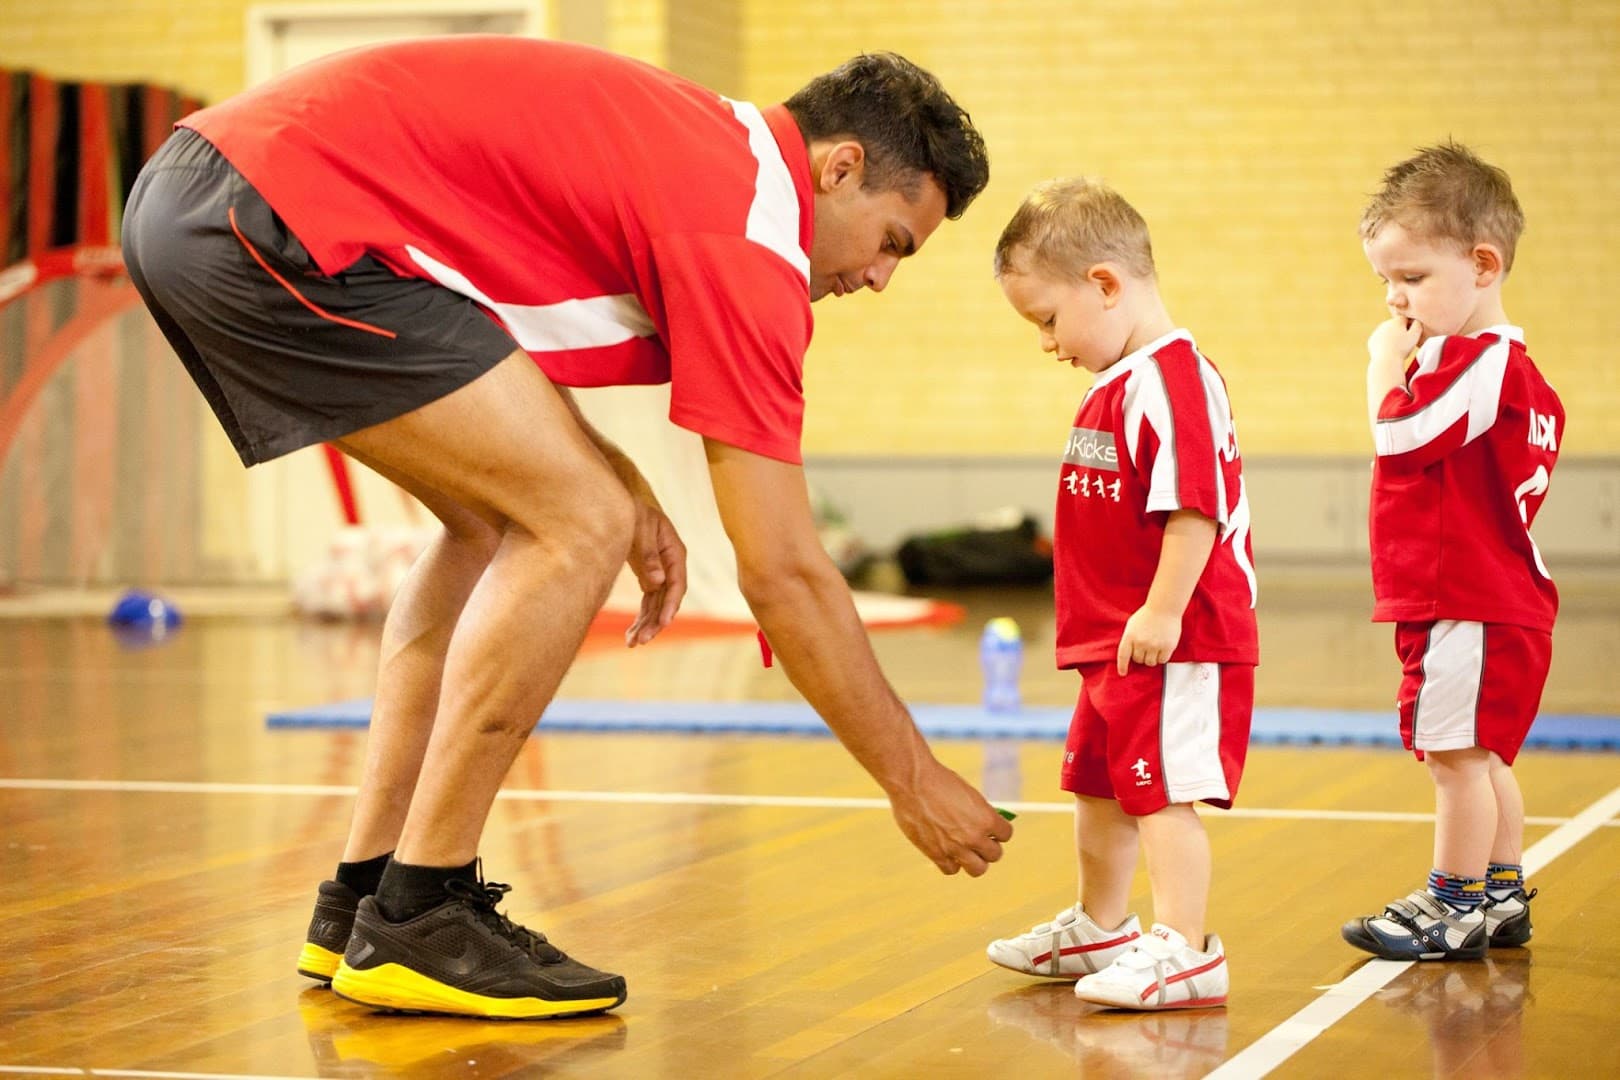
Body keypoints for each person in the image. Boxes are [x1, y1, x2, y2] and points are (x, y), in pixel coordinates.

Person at [120, 36, 1013, 1020]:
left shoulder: (707, 153)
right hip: (261, 217)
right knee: (577, 524)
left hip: (215, 193)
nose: (881, 279)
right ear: (839, 168)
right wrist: (911, 776)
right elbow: (785, 574)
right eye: (894, 241)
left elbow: (482, 327)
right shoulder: (750, 231)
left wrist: (615, 471)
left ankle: (363, 896)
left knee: (491, 523)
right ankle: (424, 911)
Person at [985, 179, 1257, 1010]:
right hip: (1117, 639)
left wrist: (1165, 608)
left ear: (1104, 284)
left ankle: (1185, 946)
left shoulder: (1174, 381)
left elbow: (1194, 505)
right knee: (1099, 786)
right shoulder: (1121, 380)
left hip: (1174, 635)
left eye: (1046, 320)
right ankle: (1102, 927)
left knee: (1164, 792)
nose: (1046, 343)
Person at [1341, 143, 1561, 961]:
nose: (1395, 299)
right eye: (1385, 282)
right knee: (1483, 759)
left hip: (1466, 599)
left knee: (1454, 762)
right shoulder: (1502, 368)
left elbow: (1398, 438)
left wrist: (1382, 365)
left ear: (1482, 264)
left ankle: (1453, 903)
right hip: (1482, 597)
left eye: (1413, 278)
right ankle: (1499, 895)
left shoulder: (1484, 363)